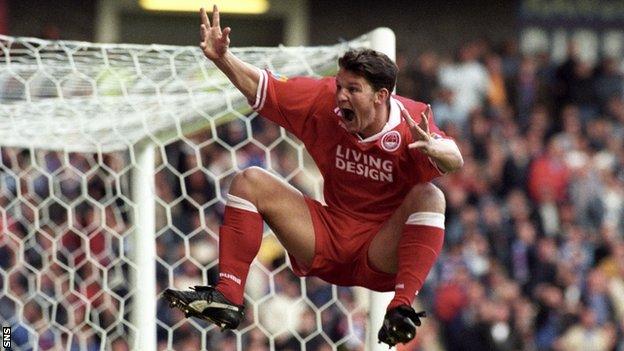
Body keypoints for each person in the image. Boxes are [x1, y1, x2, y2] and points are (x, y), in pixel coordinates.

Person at [164, 5, 463, 347]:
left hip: (381, 254)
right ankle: (228, 296)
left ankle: (401, 307)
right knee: (249, 181)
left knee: (431, 196)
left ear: (381, 96)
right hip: (326, 239)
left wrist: (441, 153)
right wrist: (223, 59)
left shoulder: (413, 124)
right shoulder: (323, 102)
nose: (340, 96)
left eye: (352, 89)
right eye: (339, 86)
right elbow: (263, 88)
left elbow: (453, 157)